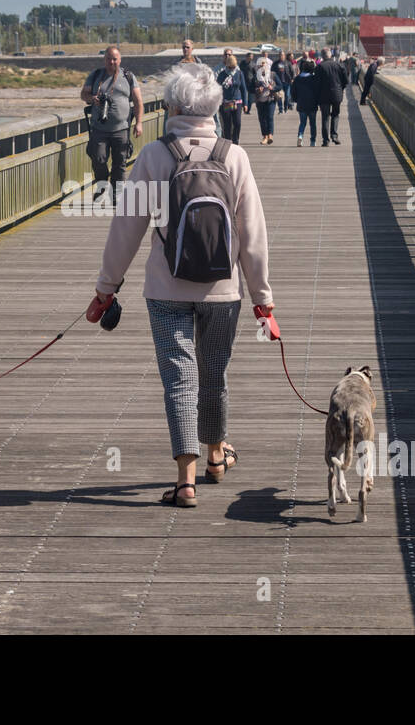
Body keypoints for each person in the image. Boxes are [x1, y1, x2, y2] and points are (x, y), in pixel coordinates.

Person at [90, 62, 274, 507]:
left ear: (172, 105)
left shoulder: (154, 156)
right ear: (213, 106)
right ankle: (216, 456)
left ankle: (186, 479)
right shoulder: (234, 156)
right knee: (214, 374)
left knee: (179, 379)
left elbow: (126, 229)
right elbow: (253, 234)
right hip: (223, 290)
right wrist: (262, 299)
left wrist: (106, 287)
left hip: (166, 289)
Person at [81, 46, 143, 198]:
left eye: (115, 59)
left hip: (121, 128)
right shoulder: (96, 75)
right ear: (105, 60)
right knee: (98, 158)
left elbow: (138, 101)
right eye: (109, 59)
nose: (112, 62)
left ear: (120, 60)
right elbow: (84, 94)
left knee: (120, 162)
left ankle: (117, 193)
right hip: (99, 128)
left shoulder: (128, 76)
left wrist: (139, 123)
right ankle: (102, 186)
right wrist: (92, 99)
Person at [314, 48, 347, 146]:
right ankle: (334, 136)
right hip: (337, 94)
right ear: (330, 55)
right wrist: (340, 89)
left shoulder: (319, 67)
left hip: (323, 96)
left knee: (325, 117)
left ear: (322, 56)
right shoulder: (339, 65)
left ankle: (326, 140)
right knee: (335, 115)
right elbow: (345, 80)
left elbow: (316, 83)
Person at [215, 49, 248, 144]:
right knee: (227, 125)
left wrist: (245, 104)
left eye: (234, 67)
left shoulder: (239, 74)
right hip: (226, 103)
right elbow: (217, 89)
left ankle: (236, 140)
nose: (232, 69)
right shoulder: (222, 74)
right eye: (230, 67)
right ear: (227, 65)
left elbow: (244, 89)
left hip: (237, 102)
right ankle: (228, 142)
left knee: (237, 123)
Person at [293, 54, 318, 147]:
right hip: (312, 104)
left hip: (301, 103)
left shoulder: (297, 79)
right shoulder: (313, 78)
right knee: (312, 124)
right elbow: (317, 91)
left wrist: (296, 100)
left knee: (302, 123)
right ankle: (313, 141)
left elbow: (293, 91)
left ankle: (300, 136)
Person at [252, 52, 277, 145]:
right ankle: (265, 136)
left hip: (270, 99)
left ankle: (270, 135)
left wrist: (273, 88)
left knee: (270, 117)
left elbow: (280, 85)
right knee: (262, 119)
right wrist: (257, 89)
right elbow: (250, 88)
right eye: (260, 66)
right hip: (260, 100)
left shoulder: (272, 74)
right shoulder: (256, 77)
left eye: (264, 65)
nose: (262, 67)